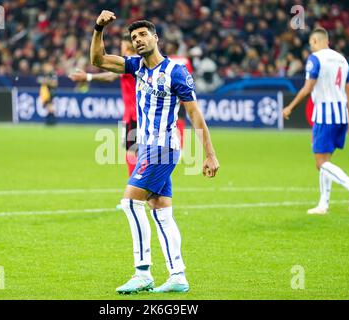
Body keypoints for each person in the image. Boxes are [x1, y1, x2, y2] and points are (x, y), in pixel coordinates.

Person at [91, 11, 220, 294]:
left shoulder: (176, 72)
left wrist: (209, 154)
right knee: (161, 212)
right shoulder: (136, 67)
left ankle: (143, 272)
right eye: (134, 37)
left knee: (130, 204)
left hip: (163, 147)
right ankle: (178, 275)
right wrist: (98, 28)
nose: (138, 40)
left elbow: (196, 115)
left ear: (156, 38)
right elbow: (98, 60)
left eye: (143, 35)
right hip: (149, 146)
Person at [283, 27, 349, 215]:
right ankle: (323, 204)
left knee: (321, 162)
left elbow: (307, 88)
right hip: (341, 115)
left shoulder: (315, 59)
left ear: (315, 42)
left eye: (311, 43)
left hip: (324, 115)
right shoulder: (342, 60)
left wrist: (290, 107)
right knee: (325, 161)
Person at [70, 34, 138, 176]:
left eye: (121, 45)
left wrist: (88, 77)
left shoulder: (129, 62)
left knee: (132, 152)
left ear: (126, 46)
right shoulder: (144, 62)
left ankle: (135, 186)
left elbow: (110, 76)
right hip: (144, 115)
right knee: (145, 153)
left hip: (133, 115)